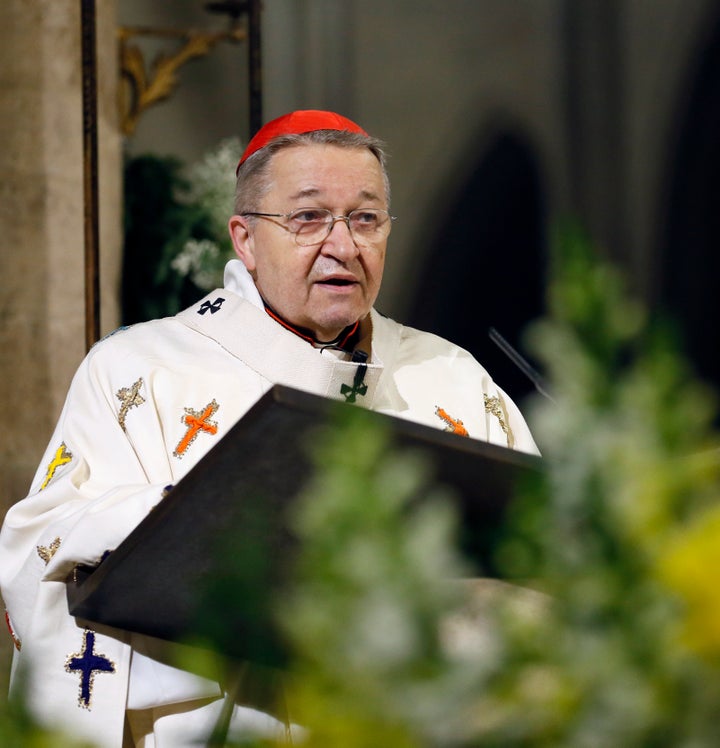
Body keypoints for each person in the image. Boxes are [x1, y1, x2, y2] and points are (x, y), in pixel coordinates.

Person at [0, 110, 539, 747]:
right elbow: (37, 546)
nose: (343, 245)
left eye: (365, 219)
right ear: (246, 240)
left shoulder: (453, 376)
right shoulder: (139, 370)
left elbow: (535, 556)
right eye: (308, 217)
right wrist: (200, 517)